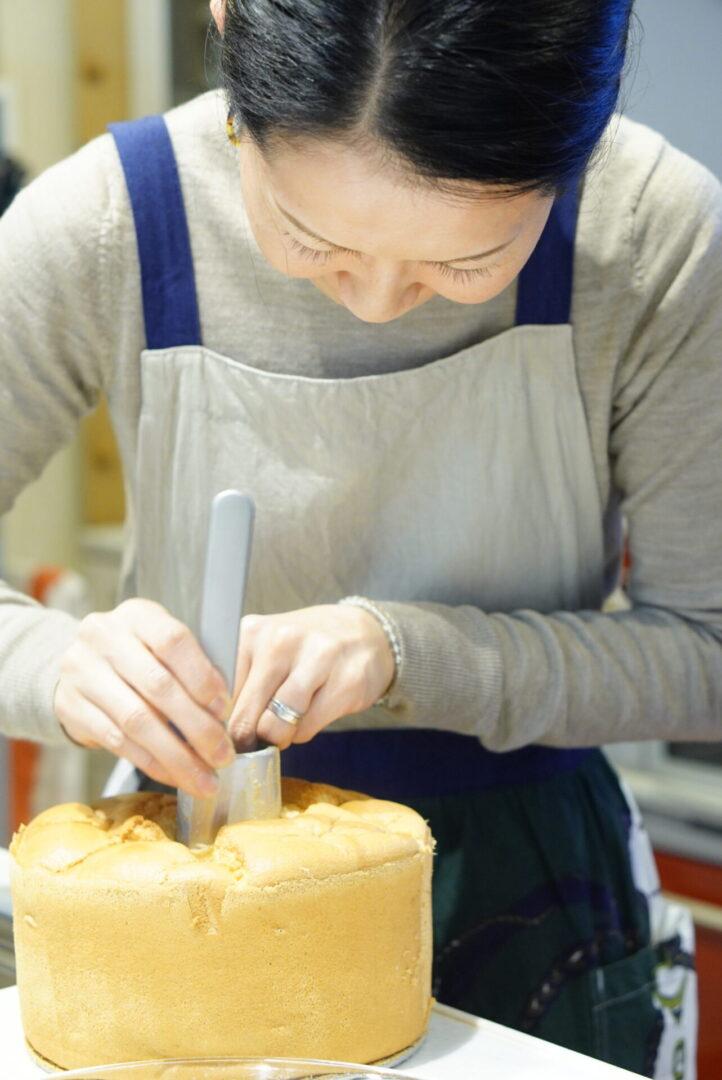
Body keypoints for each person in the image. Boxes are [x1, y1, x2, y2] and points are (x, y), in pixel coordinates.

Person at [1, 0, 720, 1073]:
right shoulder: (105, 220)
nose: (378, 302)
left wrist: (407, 653)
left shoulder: (651, 230)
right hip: (184, 875)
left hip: (532, 878)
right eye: (310, 237)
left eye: (467, 261)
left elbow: (707, 649)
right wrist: (53, 662)